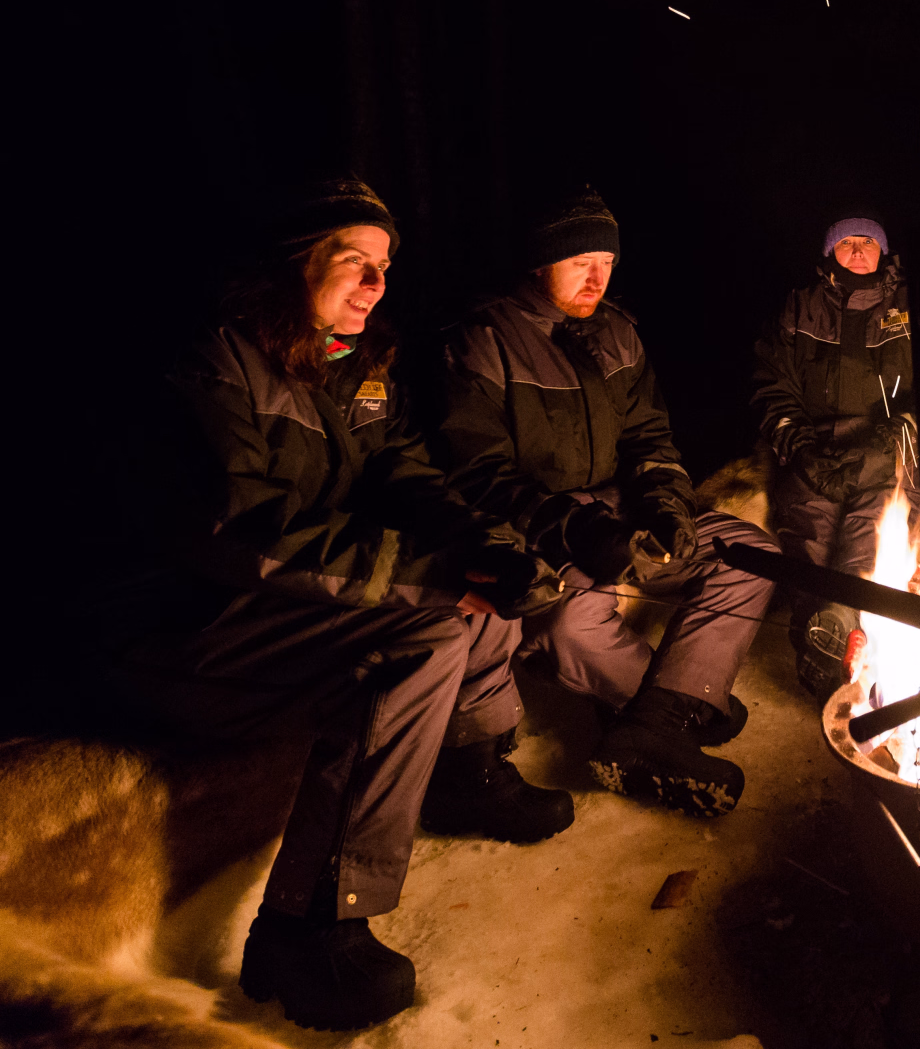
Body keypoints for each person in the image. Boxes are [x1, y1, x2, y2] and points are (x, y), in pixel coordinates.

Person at [109, 181, 574, 1032]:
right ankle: (304, 925)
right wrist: (437, 570)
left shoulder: (352, 364)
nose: (376, 285)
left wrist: (483, 540)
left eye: (385, 267)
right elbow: (243, 529)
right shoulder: (214, 366)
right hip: (187, 633)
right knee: (428, 631)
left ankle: (467, 773)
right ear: (291, 268)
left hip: (280, 619)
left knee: (487, 576)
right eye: (352, 262)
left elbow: (400, 471)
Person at [438, 187, 780, 817]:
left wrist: (668, 509)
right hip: (543, 535)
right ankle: (676, 706)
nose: (598, 277)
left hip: (623, 518)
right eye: (580, 263)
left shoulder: (617, 333)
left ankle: (658, 720)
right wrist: (576, 529)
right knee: (572, 620)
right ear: (541, 264)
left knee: (750, 553)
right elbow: (477, 474)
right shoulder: (483, 341)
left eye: (608, 262)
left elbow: (650, 439)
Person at [750, 214, 920, 697]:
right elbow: (772, 384)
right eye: (845, 243)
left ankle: (844, 631)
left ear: (882, 252)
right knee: (808, 538)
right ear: (830, 253)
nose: (856, 251)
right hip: (817, 454)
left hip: (890, 454)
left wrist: (897, 434)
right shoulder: (798, 309)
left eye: (866, 243)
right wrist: (799, 444)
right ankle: (824, 653)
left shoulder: (915, 308)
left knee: (867, 537)